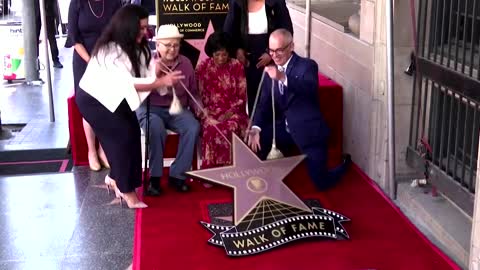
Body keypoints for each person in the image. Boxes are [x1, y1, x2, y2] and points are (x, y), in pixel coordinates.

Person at [77, 5, 185, 208]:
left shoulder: (139, 45)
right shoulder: (110, 49)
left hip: (115, 97)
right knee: (121, 139)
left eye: (146, 27)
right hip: (94, 100)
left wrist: (157, 72)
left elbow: (144, 73)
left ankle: (115, 177)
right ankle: (127, 191)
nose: (145, 32)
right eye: (141, 28)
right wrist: (160, 82)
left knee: (132, 133)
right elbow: (128, 83)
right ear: (127, 27)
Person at [246, 29, 351, 191]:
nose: (274, 55)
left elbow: (308, 89)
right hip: (284, 129)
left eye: (279, 50)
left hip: (308, 131)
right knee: (261, 137)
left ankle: (344, 167)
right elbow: (263, 105)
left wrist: (282, 78)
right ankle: (265, 182)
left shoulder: (307, 66)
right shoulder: (269, 72)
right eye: (271, 51)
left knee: (321, 183)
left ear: (291, 47)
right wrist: (255, 127)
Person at [136, 24, 200, 195]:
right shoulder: (146, 61)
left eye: (176, 45)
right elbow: (136, 89)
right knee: (155, 127)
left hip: (177, 109)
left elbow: (193, 92)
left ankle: (177, 176)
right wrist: (155, 76)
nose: (173, 49)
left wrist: (199, 108)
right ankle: (154, 179)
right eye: (168, 45)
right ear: (157, 46)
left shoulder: (185, 63)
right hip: (150, 108)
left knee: (192, 127)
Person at [66, 0, 122, 171]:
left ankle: (103, 149)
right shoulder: (77, 3)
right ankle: (91, 150)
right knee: (89, 105)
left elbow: (119, 33)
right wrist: (92, 62)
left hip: (108, 60)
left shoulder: (114, 3)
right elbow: (74, 39)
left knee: (106, 104)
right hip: (84, 60)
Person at [223, 0, 293, 115]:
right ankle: (255, 128)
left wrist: (270, 53)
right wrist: (237, 50)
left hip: (272, 56)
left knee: (272, 96)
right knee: (253, 98)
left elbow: (286, 30)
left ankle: (273, 130)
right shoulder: (236, 2)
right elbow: (229, 31)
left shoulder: (277, 2)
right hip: (247, 58)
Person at [196, 32, 248, 169]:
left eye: (224, 54)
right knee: (211, 128)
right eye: (217, 54)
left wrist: (229, 113)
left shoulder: (236, 66)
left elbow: (242, 96)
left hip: (234, 111)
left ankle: (233, 168)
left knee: (232, 126)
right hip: (209, 111)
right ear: (211, 53)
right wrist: (206, 113)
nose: (221, 58)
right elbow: (198, 95)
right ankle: (211, 171)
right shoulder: (202, 67)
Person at [35, 0, 63, 68]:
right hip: (36, 10)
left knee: (51, 37)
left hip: (48, 9)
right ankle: (35, 60)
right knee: (35, 37)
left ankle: (55, 59)